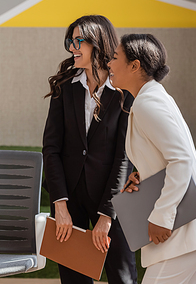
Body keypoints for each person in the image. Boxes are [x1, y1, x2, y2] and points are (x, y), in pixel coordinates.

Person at [107, 33, 196, 283]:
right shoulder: (150, 98)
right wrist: (144, 173)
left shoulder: (148, 103)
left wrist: (162, 216)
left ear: (134, 65)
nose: (109, 63)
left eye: (115, 57)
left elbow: (181, 158)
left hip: (184, 233)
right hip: (194, 231)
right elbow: (170, 154)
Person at [42, 15, 137, 284]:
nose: (72, 47)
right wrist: (60, 205)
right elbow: (51, 148)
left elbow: (124, 156)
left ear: (98, 43)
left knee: (123, 277)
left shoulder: (123, 92)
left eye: (78, 41)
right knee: (73, 280)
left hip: (113, 200)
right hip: (69, 203)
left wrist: (107, 215)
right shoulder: (64, 87)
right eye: (70, 41)